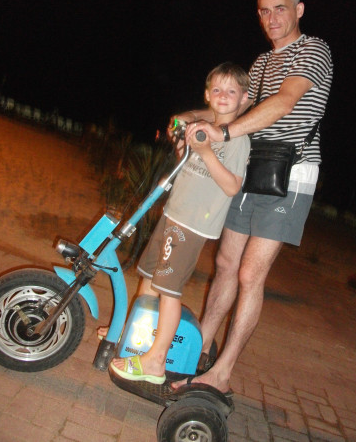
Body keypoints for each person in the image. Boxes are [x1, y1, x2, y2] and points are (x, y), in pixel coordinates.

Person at [172, 0, 333, 394]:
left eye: (280, 8)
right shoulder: (261, 62)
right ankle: (197, 351)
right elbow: (235, 108)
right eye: (264, 10)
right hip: (253, 167)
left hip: (291, 175)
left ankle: (221, 373)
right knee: (226, 263)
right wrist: (191, 118)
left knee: (249, 273)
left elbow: (284, 102)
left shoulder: (314, 50)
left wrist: (223, 135)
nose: (271, 18)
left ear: (298, 10)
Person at [105, 62, 251, 384]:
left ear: (244, 99)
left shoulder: (237, 140)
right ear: (207, 95)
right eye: (217, 89)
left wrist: (205, 151)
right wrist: (183, 144)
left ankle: (156, 361)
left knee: (168, 289)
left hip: (193, 225)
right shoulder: (202, 127)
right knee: (148, 276)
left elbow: (232, 186)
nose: (223, 96)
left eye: (231, 91)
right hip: (174, 213)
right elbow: (190, 161)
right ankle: (133, 335)